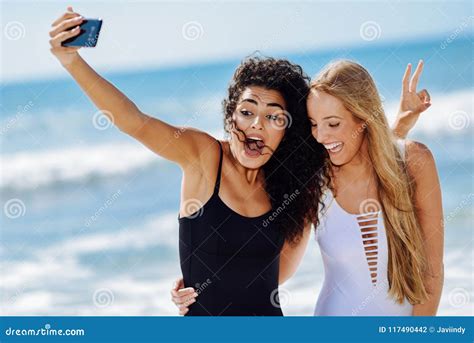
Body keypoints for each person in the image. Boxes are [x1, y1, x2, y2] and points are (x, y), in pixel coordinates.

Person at [172, 60, 442, 316]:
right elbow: (275, 269)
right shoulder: (314, 181)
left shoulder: (415, 162)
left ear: (364, 117)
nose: (322, 136)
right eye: (313, 124)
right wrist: (204, 281)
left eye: (333, 123)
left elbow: (432, 269)